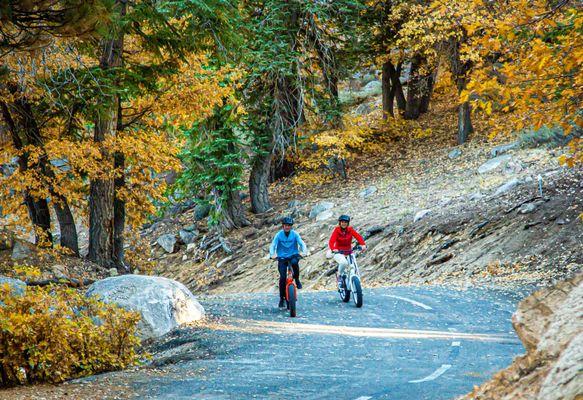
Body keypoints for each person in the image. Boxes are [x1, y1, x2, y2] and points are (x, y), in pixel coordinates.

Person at [269, 216, 309, 308]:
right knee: (283, 278)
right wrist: (272, 254)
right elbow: (273, 245)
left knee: (295, 263)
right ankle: (281, 298)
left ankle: (297, 279)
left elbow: (301, 243)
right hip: (282, 257)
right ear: (283, 226)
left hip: (293, 255)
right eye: (286, 225)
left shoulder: (295, 234)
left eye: (289, 225)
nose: (287, 227)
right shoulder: (278, 235)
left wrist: (304, 252)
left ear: (291, 226)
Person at [328, 215, 366, 287]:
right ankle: (339, 276)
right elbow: (331, 241)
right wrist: (333, 249)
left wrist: (363, 244)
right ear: (340, 223)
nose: (344, 223)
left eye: (345, 222)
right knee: (343, 262)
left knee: (353, 266)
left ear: (348, 223)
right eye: (342, 222)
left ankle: (355, 279)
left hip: (349, 252)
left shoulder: (350, 230)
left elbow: (358, 236)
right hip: (338, 252)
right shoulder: (337, 230)